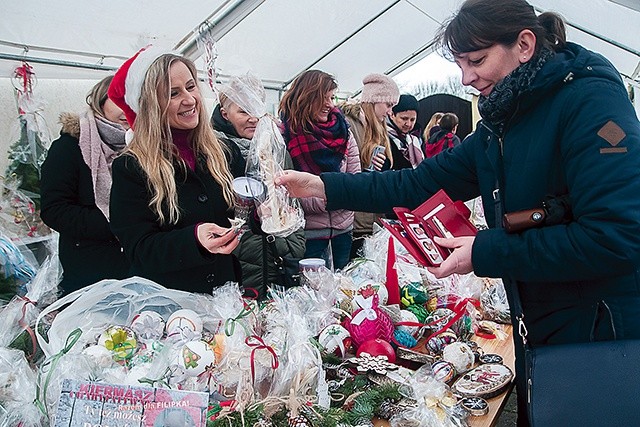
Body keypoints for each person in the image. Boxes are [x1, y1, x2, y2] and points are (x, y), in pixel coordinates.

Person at [275, 0, 640, 424]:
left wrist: (484, 250)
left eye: (477, 61)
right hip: (542, 322)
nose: (467, 78)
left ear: (524, 44)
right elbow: (415, 183)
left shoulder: (590, 103)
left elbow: (617, 237)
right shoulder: (502, 122)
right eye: (461, 64)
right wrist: (323, 185)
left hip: (600, 332)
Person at [108, 46, 245, 293]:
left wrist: (263, 209)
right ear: (151, 106)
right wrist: (194, 240)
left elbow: (242, 212)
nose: (189, 99)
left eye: (191, 87)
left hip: (224, 295)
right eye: (173, 93)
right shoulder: (132, 167)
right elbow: (139, 248)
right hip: (168, 305)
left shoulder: (224, 151)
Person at [211, 74, 305, 298]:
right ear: (225, 114)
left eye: (256, 110)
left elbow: (291, 199)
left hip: (276, 256)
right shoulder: (214, 153)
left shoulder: (274, 146)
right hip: (236, 260)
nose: (253, 118)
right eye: (243, 111)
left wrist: (292, 245)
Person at [40, 75, 130, 294]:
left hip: (135, 270)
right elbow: (54, 210)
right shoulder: (69, 148)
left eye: (133, 103)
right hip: (87, 274)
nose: (127, 109)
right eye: (119, 101)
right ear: (100, 103)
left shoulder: (140, 148)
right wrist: (117, 225)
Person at [279, 70, 361, 270]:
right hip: (308, 235)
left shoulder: (343, 131)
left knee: (342, 293)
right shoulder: (284, 134)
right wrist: (331, 198)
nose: (330, 104)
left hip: (343, 231)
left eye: (332, 97)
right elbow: (283, 190)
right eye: (323, 98)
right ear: (306, 97)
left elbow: (355, 179)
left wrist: (339, 196)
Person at [340, 73, 399, 258]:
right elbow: (346, 170)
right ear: (374, 100)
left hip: (373, 217)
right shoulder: (349, 124)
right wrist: (367, 167)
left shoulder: (379, 128)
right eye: (388, 105)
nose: (390, 112)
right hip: (355, 219)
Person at [387, 94, 424, 170]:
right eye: (404, 118)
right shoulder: (382, 138)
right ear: (392, 115)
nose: (408, 124)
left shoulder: (416, 139)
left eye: (412, 120)